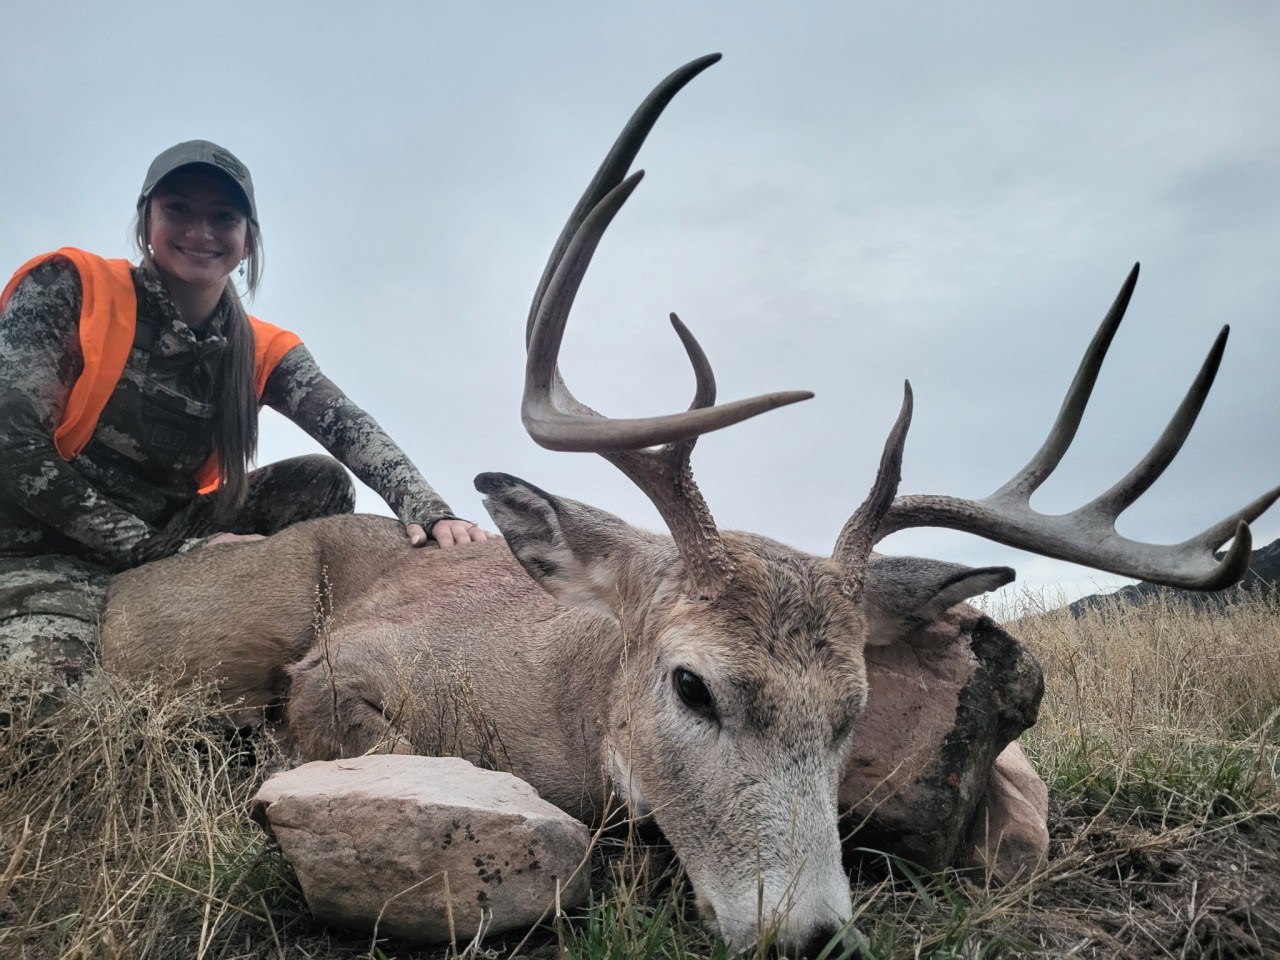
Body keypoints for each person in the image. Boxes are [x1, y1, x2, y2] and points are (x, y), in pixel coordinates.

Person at [0, 140, 490, 721]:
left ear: (248, 239)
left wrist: (428, 509)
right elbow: (13, 447)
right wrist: (163, 550)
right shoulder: (70, 287)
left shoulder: (258, 346)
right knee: (45, 715)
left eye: (223, 217)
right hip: (44, 546)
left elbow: (349, 427)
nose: (201, 231)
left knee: (319, 482)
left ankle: (293, 674)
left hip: (173, 535)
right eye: (179, 209)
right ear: (146, 221)